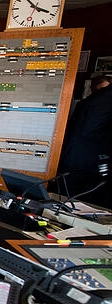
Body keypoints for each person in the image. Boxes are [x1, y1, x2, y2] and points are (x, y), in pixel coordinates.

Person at [58, 72, 112, 209]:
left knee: (69, 203)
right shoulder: (106, 99)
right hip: (93, 164)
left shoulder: (87, 102)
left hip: (72, 159)